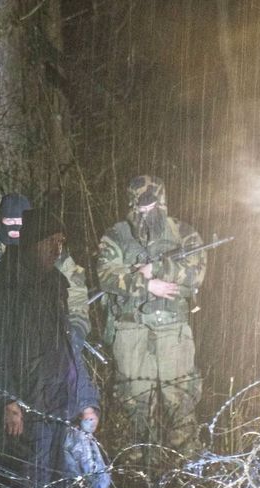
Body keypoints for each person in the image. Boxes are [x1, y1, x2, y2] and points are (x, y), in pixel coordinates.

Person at [0, 204, 103, 488]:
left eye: (61, 242)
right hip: (25, 407)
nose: (57, 250)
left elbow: (68, 348)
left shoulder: (56, 283)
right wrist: (6, 399)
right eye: (51, 242)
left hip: (57, 405)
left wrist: (86, 400)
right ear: (33, 242)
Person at [96, 175, 206, 458]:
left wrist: (158, 269)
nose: (145, 209)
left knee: (180, 402)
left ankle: (188, 470)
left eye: (151, 202)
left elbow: (196, 273)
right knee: (134, 404)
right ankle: (136, 472)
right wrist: (144, 285)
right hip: (131, 330)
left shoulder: (184, 233)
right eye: (140, 204)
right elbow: (106, 275)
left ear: (162, 200)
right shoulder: (117, 235)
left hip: (173, 331)